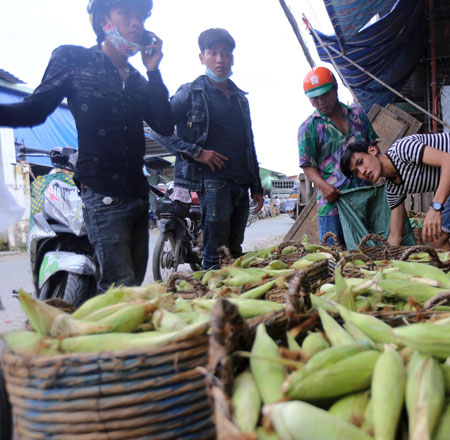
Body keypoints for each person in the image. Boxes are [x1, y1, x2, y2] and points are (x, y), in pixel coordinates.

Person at [0, 0, 173, 292]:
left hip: (139, 197)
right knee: (122, 291)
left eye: (141, 17)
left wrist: (153, 70)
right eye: (126, 14)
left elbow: (165, 124)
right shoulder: (75, 60)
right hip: (103, 195)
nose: (136, 24)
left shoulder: (139, 82)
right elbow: (35, 109)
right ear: (104, 18)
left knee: (129, 289)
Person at [152, 28, 263, 269]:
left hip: (240, 183)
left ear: (232, 58)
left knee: (234, 251)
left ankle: (230, 301)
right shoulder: (190, 92)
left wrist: (256, 186)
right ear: (202, 58)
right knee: (215, 253)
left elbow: (248, 143)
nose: (220, 59)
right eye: (213, 53)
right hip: (213, 183)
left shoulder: (240, 99)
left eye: (226, 53)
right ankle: (213, 300)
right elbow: (158, 130)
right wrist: (196, 152)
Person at [340, 133, 450, 273]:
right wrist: (383, 268)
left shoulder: (402, 150)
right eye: (357, 172)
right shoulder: (392, 188)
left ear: (372, 150)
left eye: (360, 162)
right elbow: (394, 237)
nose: (363, 171)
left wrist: (436, 207)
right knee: (436, 237)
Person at [298, 66, 380, 247]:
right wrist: (323, 187)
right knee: (335, 259)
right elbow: (307, 166)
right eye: (314, 98)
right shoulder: (309, 127)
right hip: (333, 204)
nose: (320, 102)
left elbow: (373, 146)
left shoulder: (358, 115)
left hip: (365, 198)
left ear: (335, 89)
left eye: (325, 95)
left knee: (371, 255)